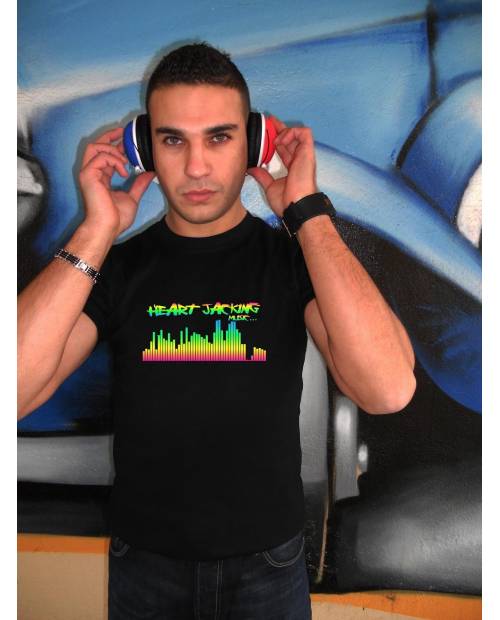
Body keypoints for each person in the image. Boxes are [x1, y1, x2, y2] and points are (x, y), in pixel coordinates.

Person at [18, 42, 416, 619]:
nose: (197, 167)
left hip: (268, 570)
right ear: (145, 149)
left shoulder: (292, 262)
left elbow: (388, 389)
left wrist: (307, 213)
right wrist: (95, 232)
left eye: (220, 138)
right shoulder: (118, 268)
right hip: (145, 570)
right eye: (173, 140)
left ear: (252, 144)